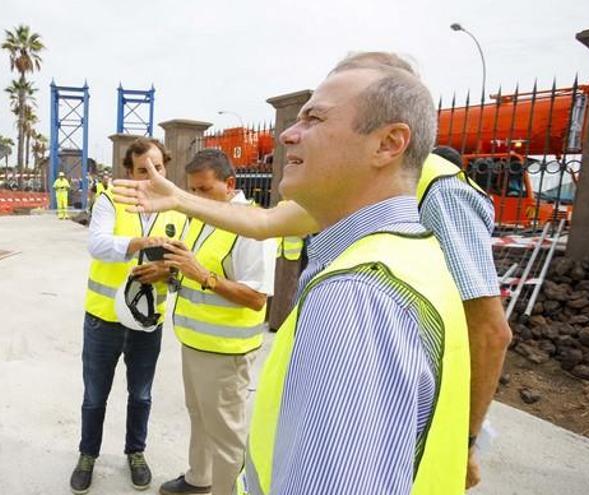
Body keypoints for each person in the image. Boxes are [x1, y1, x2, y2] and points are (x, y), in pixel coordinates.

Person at [115, 53, 511, 490]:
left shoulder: (362, 291)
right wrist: (177, 198)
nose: (287, 134)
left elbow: (490, 329)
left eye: (316, 118)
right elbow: (265, 223)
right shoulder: (380, 229)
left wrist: (468, 442)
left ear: (389, 143)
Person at [70, 137, 188, 494]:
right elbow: (98, 244)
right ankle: (87, 455)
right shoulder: (110, 199)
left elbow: (187, 262)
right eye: (142, 170)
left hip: (147, 323)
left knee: (141, 395)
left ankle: (135, 452)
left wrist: (167, 272)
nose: (151, 176)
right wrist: (139, 242)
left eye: (158, 167)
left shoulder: (177, 207)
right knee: (95, 396)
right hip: (103, 320)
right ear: (128, 172)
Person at [158, 150, 276, 495]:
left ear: (229, 184)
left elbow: (257, 298)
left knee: (225, 433)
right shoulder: (205, 217)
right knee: (198, 415)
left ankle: (228, 490)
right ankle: (199, 479)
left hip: (226, 351)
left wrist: (204, 276)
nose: (196, 199)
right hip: (194, 341)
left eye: (203, 190)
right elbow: (194, 273)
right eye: (191, 191)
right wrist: (168, 272)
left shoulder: (252, 227)